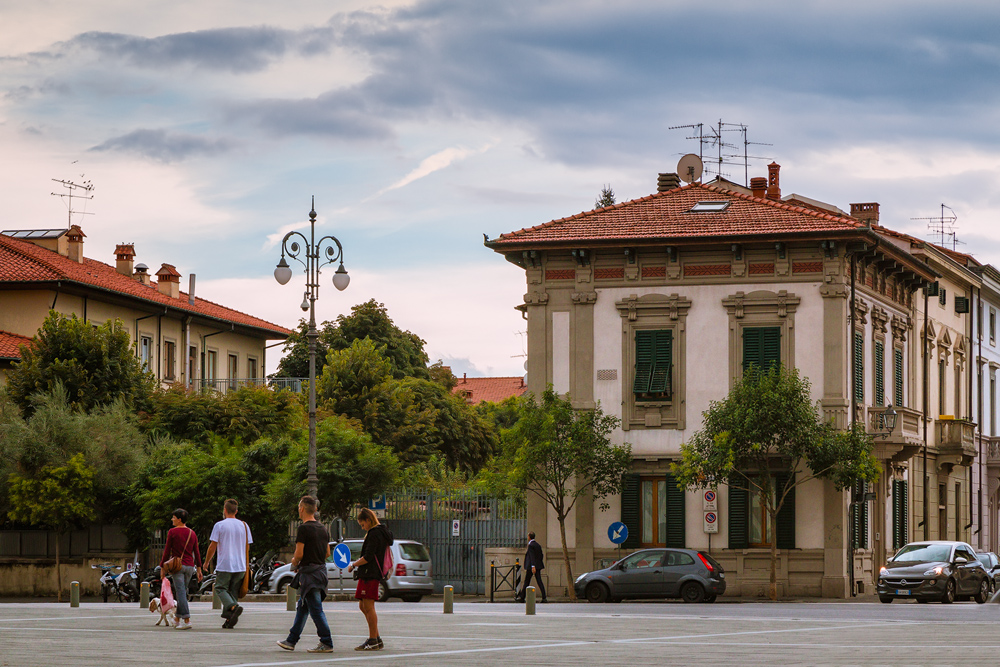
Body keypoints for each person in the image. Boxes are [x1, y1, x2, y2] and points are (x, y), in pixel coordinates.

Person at [276, 496, 333, 653]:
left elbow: (299, 554)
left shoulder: (303, 529)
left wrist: (295, 562)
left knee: (316, 609)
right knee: (303, 607)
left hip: (309, 575)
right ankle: (291, 640)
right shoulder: (323, 528)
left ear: (301, 508)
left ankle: (326, 642)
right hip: (321, 572)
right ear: (315, 509)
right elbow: (327, 552)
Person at [346, 507, 393, 651]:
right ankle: (376, 638)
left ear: (368, 520)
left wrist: (353, 564)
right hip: (368, 573)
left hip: (370, 573)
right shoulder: (380, 532)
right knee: (362, 605)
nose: (362, 527)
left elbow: (368, 556)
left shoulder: (374, 533)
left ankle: (373, 640)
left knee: (369, 606)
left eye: (362, 524)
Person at [204, 498, 252, 629]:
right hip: (240, 565)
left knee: (220, 588)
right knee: (233, 592)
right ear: (236, 511)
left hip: (225, 564)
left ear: (224, 510)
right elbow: (247, 547)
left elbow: (212, 546)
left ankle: (234, 607)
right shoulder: (244, 525)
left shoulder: (220, 525)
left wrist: (206, 561)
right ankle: (229, 619)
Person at [159, 508, 204, 630]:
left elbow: (167, 551)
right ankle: (177, 619)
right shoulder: (192, 533)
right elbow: (197, 552)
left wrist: (162, 567)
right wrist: (199, 569)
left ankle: (187, 619)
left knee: (180, 592)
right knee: (182, 592)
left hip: (177, 566)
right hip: (190, 566)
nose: (172, 519)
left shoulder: (172, 532)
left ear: (179, 519)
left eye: (173, 517)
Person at [515, 531, 547, 603]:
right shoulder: (538, 545)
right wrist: (538, 564)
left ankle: (522, 597)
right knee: (539, 581)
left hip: (532, 567)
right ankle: (544, 597)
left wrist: (533, 566)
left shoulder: (531, 545)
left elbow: (532, 556)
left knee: (527, 581)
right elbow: (541, 555)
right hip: (537, 566)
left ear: (529, 537)